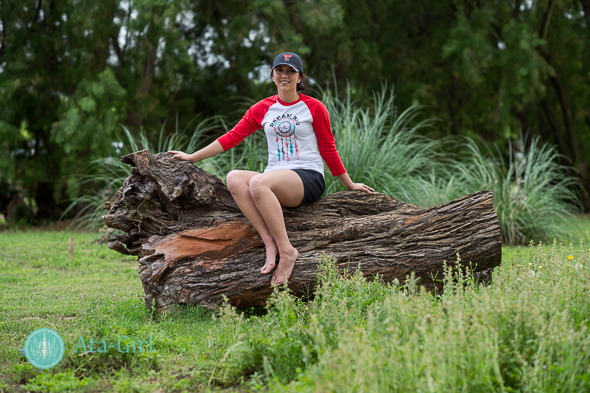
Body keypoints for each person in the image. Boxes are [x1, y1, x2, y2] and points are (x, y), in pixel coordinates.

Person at [168, 52, 373, 286]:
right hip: (275, 176)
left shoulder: (314, 108)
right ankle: (270, 242)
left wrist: (349, 184)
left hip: (308, 177)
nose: (284, 76)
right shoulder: (262, 108)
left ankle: (288, 251)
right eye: (280, 71)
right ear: (273, 75)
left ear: (299, 77)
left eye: (290, 71)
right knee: (234, 177)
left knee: (258, 182)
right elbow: (232, 137)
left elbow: (328, 148)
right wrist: (192, 157)